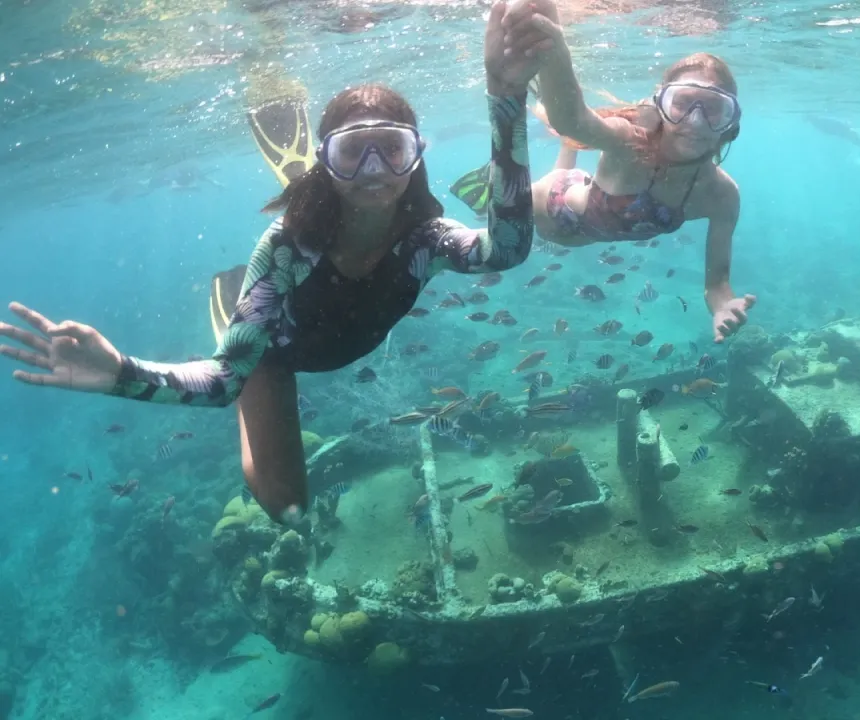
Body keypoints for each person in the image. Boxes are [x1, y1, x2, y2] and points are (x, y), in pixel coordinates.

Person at [0, 3, 545, 524]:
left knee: (290, 509)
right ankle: (233, 310)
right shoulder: (287, 248)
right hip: (273, 353)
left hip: (332, 330)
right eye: (352, 152)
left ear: (416, 157)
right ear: (327, 161)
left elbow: (508, 249)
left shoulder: (426, 240)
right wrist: (119, 372)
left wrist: (506, 95)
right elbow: (219, 384)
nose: (375, 168)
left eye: (392, 149)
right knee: (287, 509)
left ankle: (252, 290)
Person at [454, 0, 755, 344]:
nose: (695, 121)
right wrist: (554, 50)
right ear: (661, 108)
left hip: (587, 211)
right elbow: (573, 119)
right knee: (504, 207)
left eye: (714, 110)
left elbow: (717, 284)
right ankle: (499, 177)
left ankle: (566, 149)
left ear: (731, 125)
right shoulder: (631, 142)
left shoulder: (722, 196)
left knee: (574, 157)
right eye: (682, 104)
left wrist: (722, 306)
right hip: (551, 205)